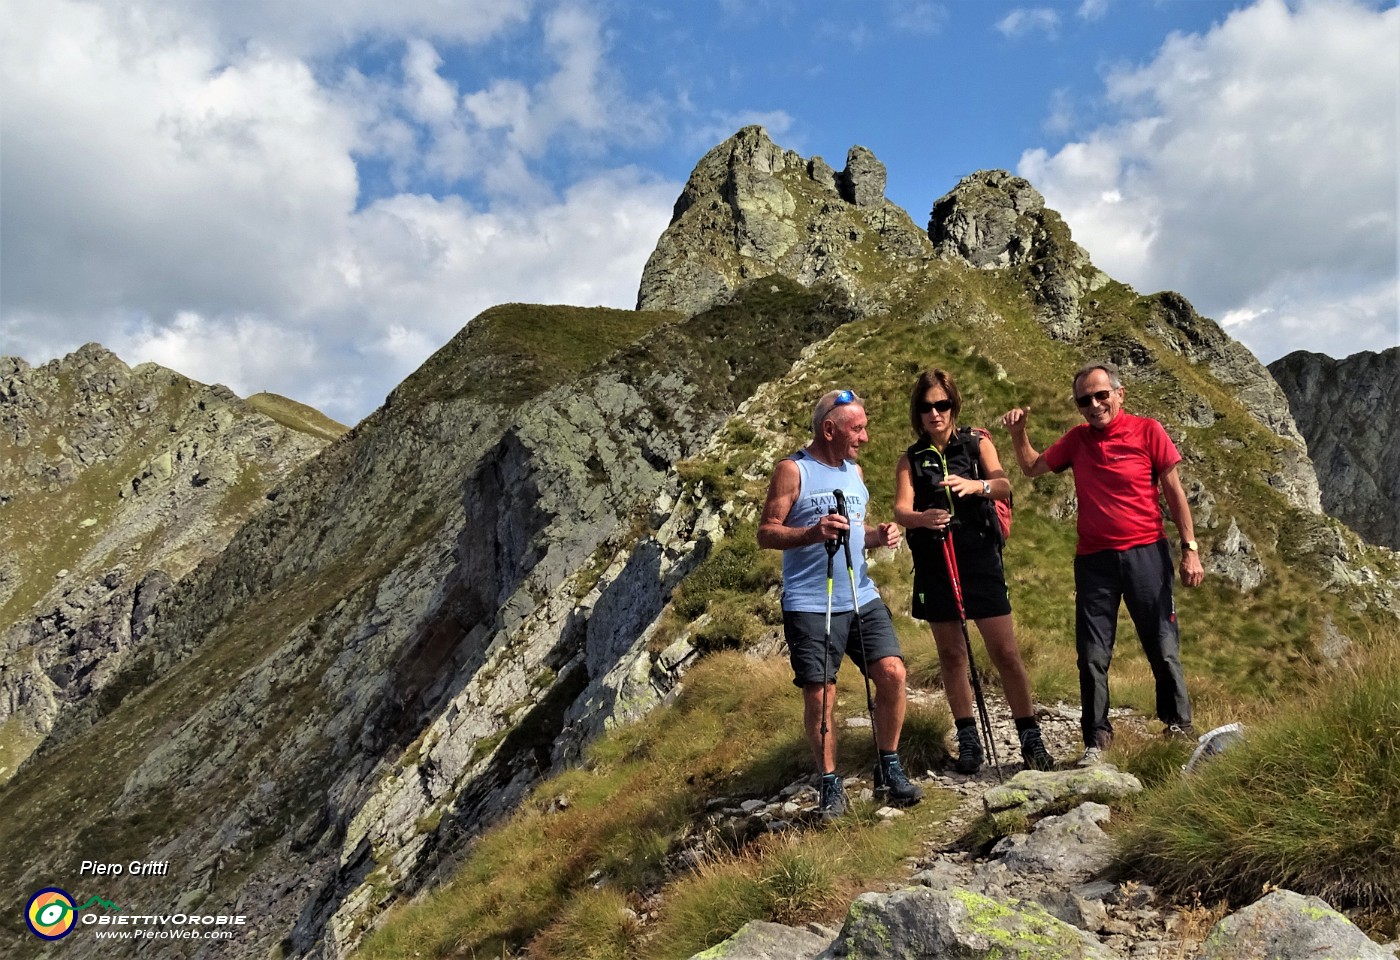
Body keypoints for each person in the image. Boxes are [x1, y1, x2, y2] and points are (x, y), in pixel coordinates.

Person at [1002, 361, 1205, 765]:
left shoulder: (1149, 431)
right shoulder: (1077, 440)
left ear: (1119, 394)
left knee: (1163, 646)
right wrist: (1018, 433)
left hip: (1147, 553)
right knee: (1092, 653)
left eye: (1101, 396)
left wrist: (1190, 548)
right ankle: (1096, 739)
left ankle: (1179, 727)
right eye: (1084, 400)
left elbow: (1174, 492)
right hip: (1094, 561)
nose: (1094, 405)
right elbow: (1031, 468)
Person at [758, 388, 924, 819]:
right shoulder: (792, 471)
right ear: (829, 429)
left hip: (860, 593)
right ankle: (830, 784)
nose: (865, 437)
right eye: (858, 428)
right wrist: (811, 533)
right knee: (821, 695)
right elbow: (767, 532)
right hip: (810, 602)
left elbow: (856, 530)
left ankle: (888, 765)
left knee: (892, 673)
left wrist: (877, 535)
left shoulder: (855, 471)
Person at [893, 370, 1055, 774]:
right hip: (935, 559)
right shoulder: (911, 459)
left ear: (953, 405)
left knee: (1005, 651)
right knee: (951, 654)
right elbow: (900, 509)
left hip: (980, 556)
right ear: (918, 412)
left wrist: (974, 486)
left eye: (942, 404)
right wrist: (921, 517)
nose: (935, 413)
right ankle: (969, 740)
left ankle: (1029, 736)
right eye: (926, 406)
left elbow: (1002, 485)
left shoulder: (977, 443)